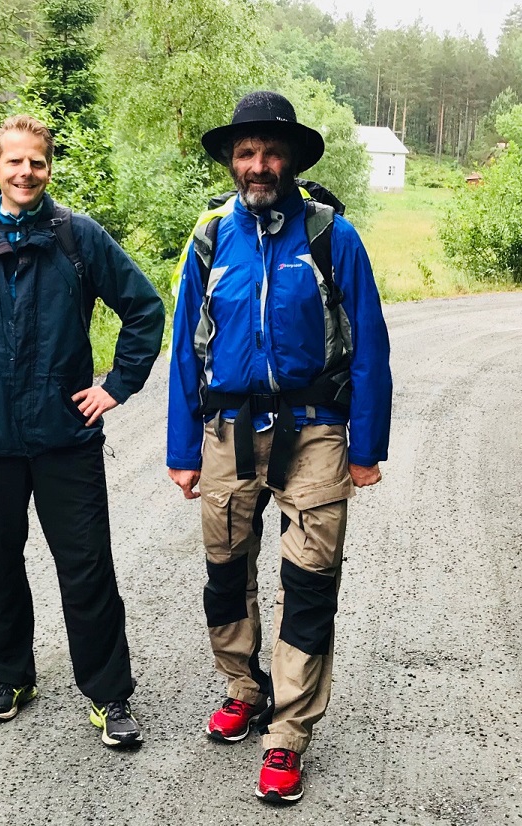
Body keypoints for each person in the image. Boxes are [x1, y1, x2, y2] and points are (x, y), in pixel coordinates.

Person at [0, 114, 164, 748]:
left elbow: (144, 309)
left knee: (86, 566)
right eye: (14, 162)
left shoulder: (78, 237)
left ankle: (108, 694)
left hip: (66, 434)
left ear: (48, 168)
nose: (26, 172)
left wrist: (115, 386)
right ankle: (12, 677)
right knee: (0, 562)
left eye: (37, 162)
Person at [166, 91, 393, 802]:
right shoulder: (210, 238)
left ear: (291, 159)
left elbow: (370, 346)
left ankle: (289, 732)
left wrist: (366, 444)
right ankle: (243, 686)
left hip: (315, 427)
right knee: (225, 569)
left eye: (270, 152)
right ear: (231, 162)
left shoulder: (331, 236)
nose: (258, 164)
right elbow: (185, 348)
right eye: (246, 152)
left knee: (309, 582)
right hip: (227, 430)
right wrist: (182, 448)